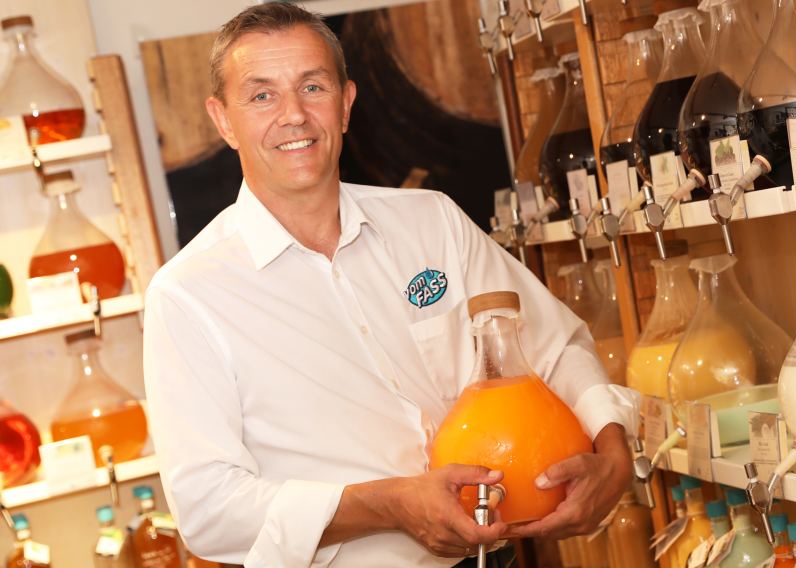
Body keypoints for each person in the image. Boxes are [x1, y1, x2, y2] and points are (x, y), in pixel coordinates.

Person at [142, 4, 638, 567]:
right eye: (261, 96)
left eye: (312, 86)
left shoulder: (433, 221)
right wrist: (389, 504)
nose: (294, 115)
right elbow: (207, 511)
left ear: (347, 103)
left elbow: (556, 346)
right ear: (223, 120)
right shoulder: (188, 295)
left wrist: (613, 450)